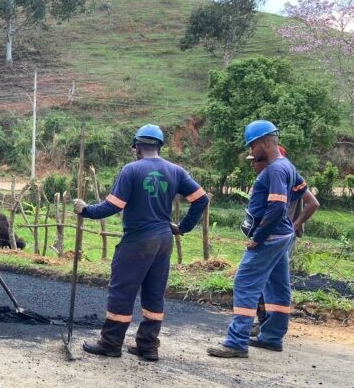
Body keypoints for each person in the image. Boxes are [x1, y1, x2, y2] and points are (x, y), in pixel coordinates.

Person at [73, 124, 208, 361]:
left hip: (138, 241)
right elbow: (201, 199)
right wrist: (183, 227)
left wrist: (85, 210)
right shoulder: (176, 171)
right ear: (159, 147)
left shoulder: (131, 170)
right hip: (164, 240)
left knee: (122, 291)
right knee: (154, 294)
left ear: (137, 147)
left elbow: (113, 206)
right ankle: (148, 346)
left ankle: (111, 343)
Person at [208, 120, 306, 358]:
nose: (251, 152)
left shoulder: (274, 169)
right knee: (278, 285)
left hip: (271, 236)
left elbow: (276, 208)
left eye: (252, 146)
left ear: (265, 142)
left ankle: (236, 341)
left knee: (245, 283)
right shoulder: (287, 166)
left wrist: (258, 238)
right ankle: (272, 337)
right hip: (283, 235)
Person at [246, 148, 319, 336]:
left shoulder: (280, 175)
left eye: (255, 160)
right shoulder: (284, 174)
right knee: (275, 283)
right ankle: (269, 329)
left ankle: (263, 325)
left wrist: (294, 225)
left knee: (256, 281)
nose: (252, 164)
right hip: (279, 237)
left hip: (273, 237)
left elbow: (311, 203)